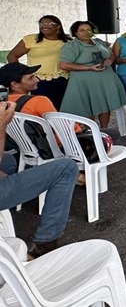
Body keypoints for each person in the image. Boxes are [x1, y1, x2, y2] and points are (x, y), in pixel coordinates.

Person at [0, 100, 79, 259]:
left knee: (9, 162)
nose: (35, 79)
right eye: (30, 77)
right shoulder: (38, 100)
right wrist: (1, 125)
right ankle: (45, 243)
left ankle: (29, 188)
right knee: (67, 168)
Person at [59, 21, 126, 129]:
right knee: (89, 107)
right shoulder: (71, 46)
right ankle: (91, 133)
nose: (86, 32)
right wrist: (89, 67)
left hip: (105, 80)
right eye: (82, 30)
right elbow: (64, 65)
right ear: (75, 32)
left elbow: (112, 54)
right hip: (85, 82)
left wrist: (110, 60)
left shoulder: (98, 41)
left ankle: (104, 131)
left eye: (88, 30)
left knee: (105, 106)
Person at [7, 15, 71, 109]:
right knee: (43, 108)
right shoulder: (31, 39)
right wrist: (20, 75)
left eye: (49, 24)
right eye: (41, 24)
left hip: (64, 79)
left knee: (63, 109)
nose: (44, 26)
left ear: (58, 26)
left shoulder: (68, 41)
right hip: (39, 80)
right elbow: (12, 56)